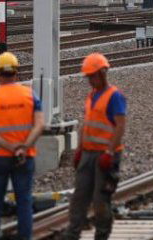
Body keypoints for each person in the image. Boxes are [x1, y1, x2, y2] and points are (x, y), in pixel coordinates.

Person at [0, 52, 44, 240]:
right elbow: (40, 125)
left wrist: (8, 147)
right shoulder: (30, 95)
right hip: (24, 157)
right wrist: (22, 148)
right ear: (16, 72)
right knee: (24, 202)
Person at [63, 53, 127, 240]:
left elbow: (120, 126)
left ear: (103, 73)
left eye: (92, 76)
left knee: (100, 200)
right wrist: (79, 150)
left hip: (105, 156)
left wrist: (109, 152)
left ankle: (102, 235)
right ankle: (72, 234)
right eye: (88, 76)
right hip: (88, 153)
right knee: (79, 197)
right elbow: (87, 123)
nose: (90, 80)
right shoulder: (91, 96)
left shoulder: (115, 96)